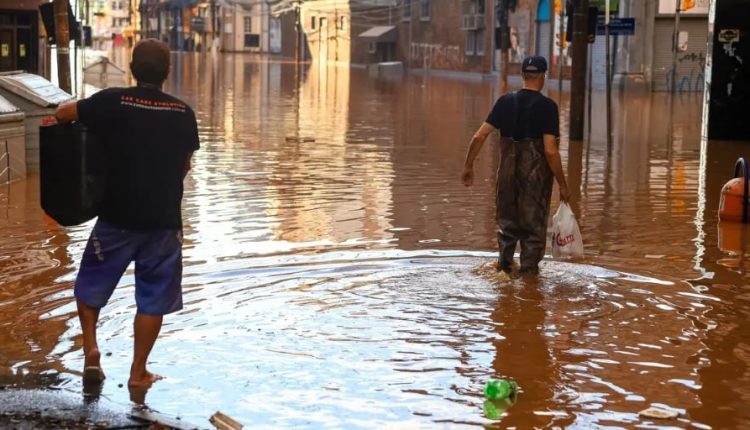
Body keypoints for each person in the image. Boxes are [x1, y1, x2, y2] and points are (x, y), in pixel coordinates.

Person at [55, 39, 199, 388]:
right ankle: (138, 373)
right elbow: (184, 166)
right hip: (163, 223)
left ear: (132, 70)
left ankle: (91, 350)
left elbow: (63, 114)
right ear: (167, 72)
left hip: (116, 218)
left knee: (90, 286)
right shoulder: (183, 113)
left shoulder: (112, 101)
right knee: (153, 298)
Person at [461, 55, 570, 275]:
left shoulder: (504, 102)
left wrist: (468, 166)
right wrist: (563, 185)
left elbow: (479, 136)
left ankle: (504, 272)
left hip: (506, 178)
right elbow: (550, 151)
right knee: (532, 232)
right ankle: (529, 286)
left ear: (522, 76)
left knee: (507, 228)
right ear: (543, 77)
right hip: (535, 182)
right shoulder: (547, 107)